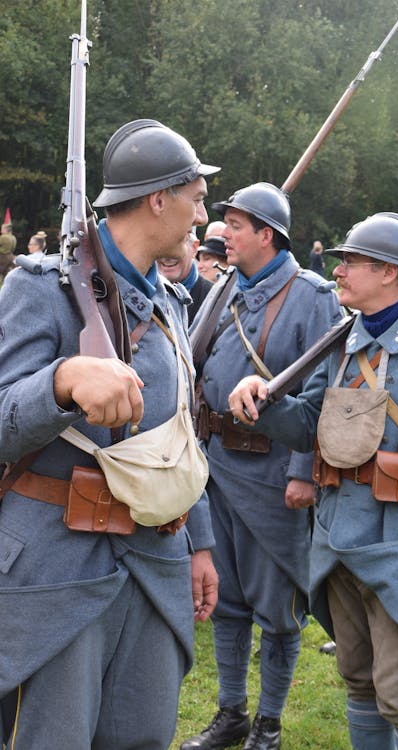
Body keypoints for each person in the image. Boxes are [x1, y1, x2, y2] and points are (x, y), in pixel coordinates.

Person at [228, 212, 398, 750]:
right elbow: (310, 424)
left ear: (388, 273)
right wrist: (262, 404)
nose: (340, 272)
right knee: (358, 680)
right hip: (338, 543)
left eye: (351, 261)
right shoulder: (345, 342)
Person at [0, 118, 220, 749]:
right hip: (56, 570)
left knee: (141, 737)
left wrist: (199, 544)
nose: (202, 215)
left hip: (153, 562)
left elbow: (181, 435)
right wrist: (63, 380)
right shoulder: (40, 288)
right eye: (196, 197)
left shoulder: (172, 304)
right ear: (159, 199)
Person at [183, 182, 342, 750]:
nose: (223, 234)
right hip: (214, 468)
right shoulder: (224, 289)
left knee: (276, 608)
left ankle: (269, 724)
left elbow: (322, 392)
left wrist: (303, 470)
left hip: (274, 475)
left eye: (236, 226)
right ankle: (231, 713)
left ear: (267, 236)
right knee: (224, 599)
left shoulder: (313, 295)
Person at [158, 229, 213, 325]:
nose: (167, 255)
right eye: (159, 245)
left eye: (175, 245)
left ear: (194, 248)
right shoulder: (140, 292)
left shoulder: (213, 298)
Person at [0, 223, 17, 288]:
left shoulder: (3, 237)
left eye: (2, 228)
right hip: (10, 256)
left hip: (2, 256)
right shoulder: (13, 237)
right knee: (6, 273)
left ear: (5, 229)